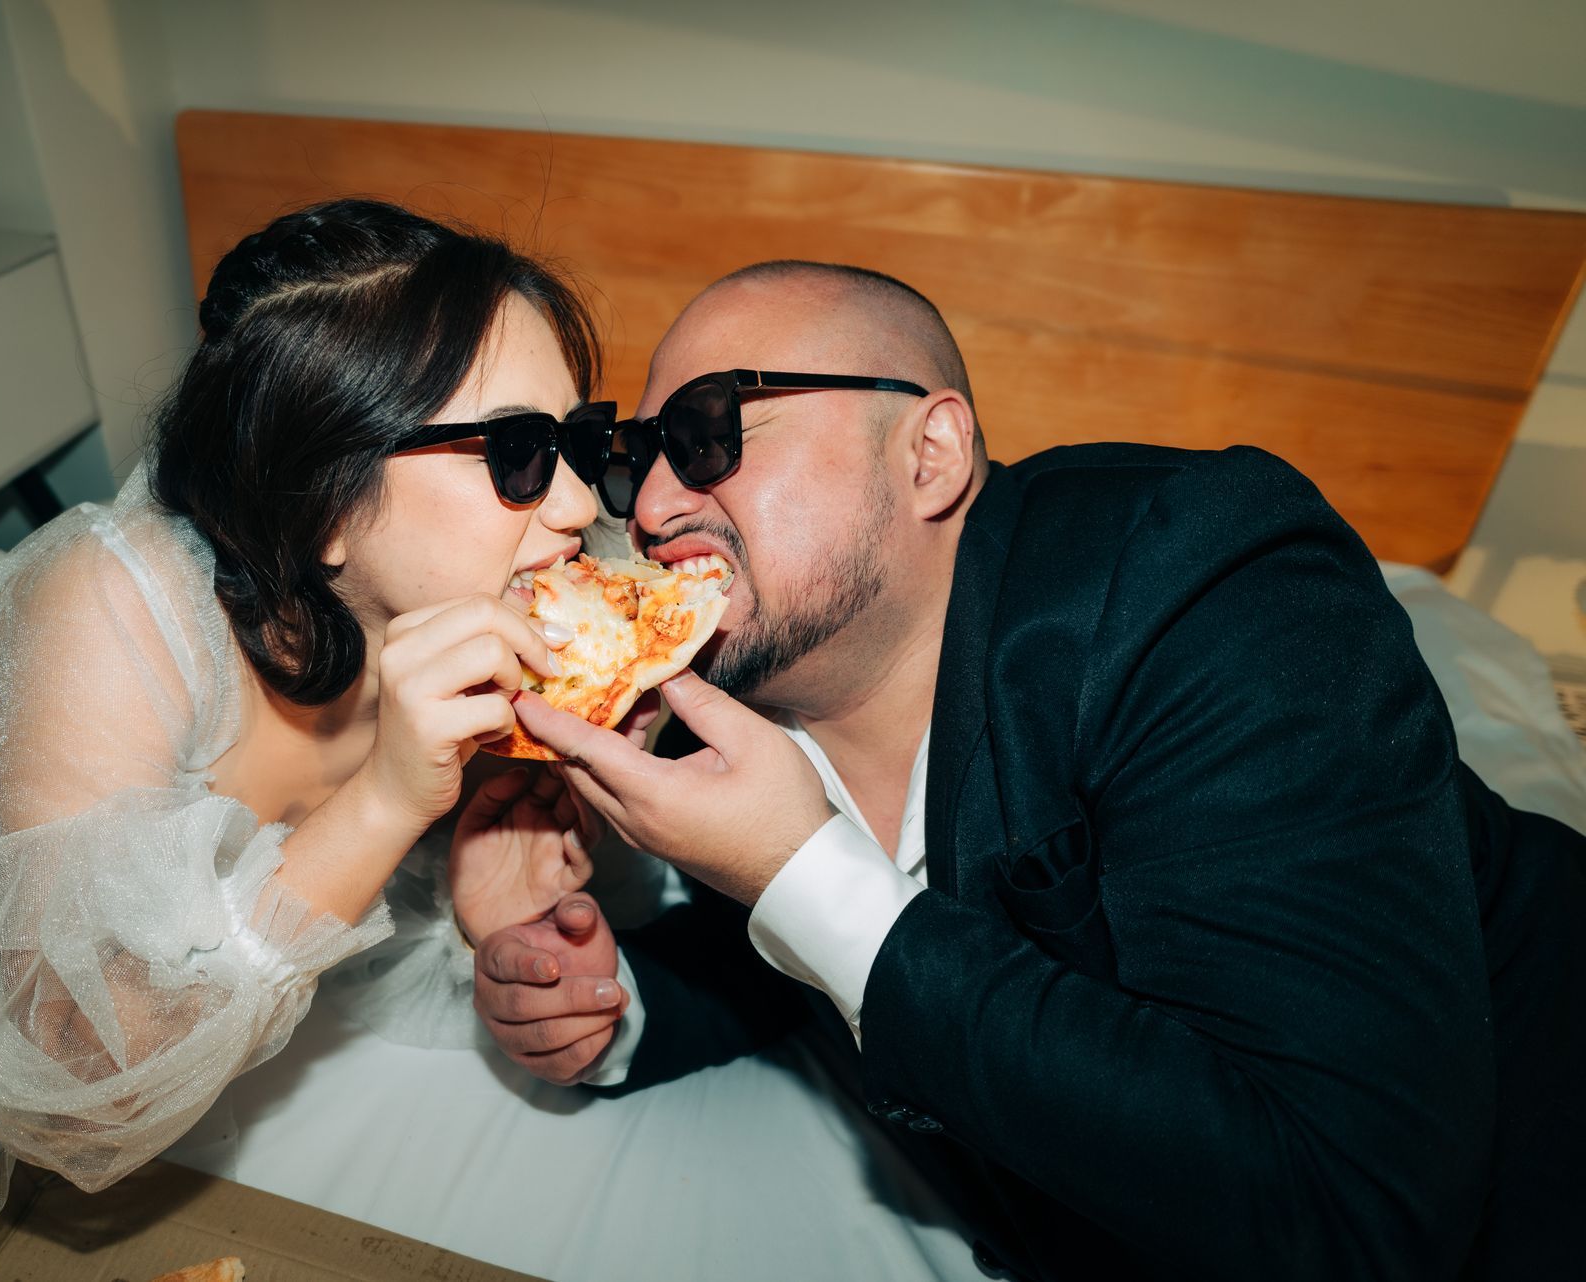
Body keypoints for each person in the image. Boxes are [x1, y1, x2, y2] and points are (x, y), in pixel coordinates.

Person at [467, 260, 1586, 1281]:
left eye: (709, 431)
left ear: (932, 453)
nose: (652, 508)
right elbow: (804, 949)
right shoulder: (738, 698)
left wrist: (803, 871)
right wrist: (611, 1005)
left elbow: (1352, 1220)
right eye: (634, 456)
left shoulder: (1208, 589)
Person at [0, 198, 624, 1281]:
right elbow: (77, 1076)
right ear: (323, 503)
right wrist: (385, 801)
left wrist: (473, 896)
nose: (578, 506)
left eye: (580, 440)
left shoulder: (506, 613)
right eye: (518, 453)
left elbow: (361, 933)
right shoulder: (112, 608)